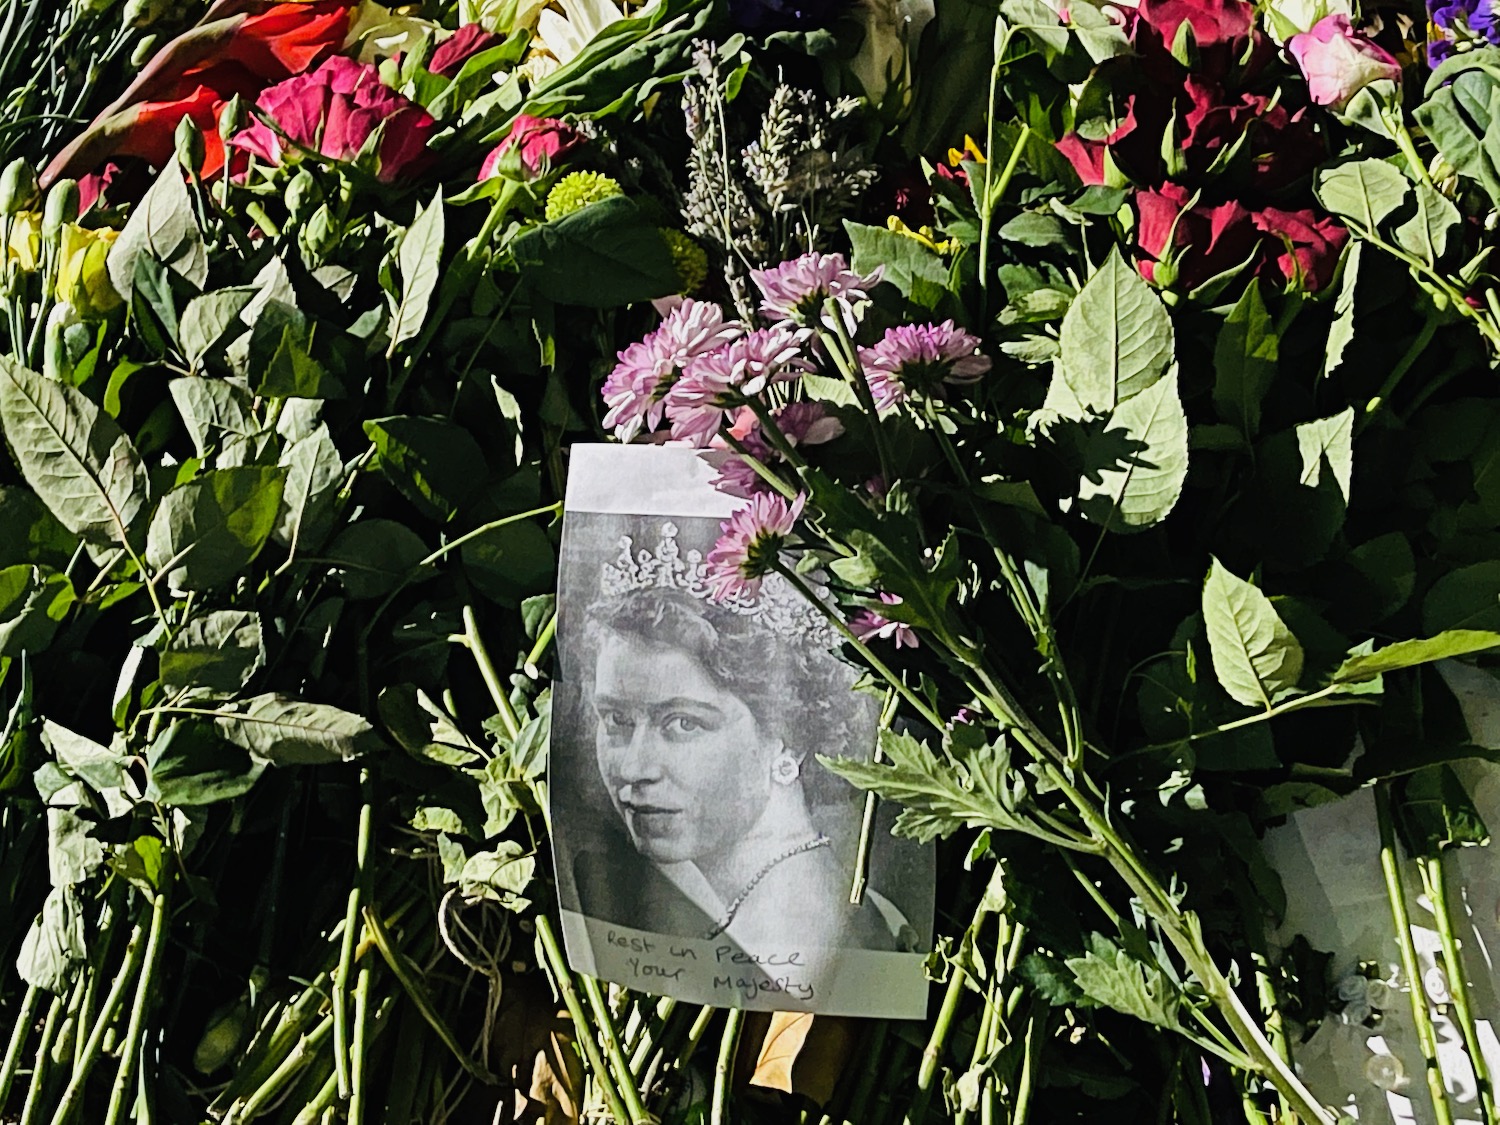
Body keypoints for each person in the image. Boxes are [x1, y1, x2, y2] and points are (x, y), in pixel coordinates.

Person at [566, 519, 916, 959]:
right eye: (616, 719)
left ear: (786, 737)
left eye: (682, 724)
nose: (635, 769)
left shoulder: (806, 931)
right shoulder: (742, 907)